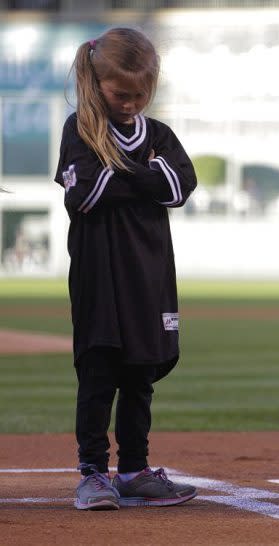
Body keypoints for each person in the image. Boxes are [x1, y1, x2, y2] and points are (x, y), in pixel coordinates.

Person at [54, 27, 198, 511]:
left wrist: (121, 170)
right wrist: (146, 174)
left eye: (141, 94)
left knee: (140, 375)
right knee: (99, 374)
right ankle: (93, 473)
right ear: (97, 84)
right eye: (121, 94)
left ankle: (135, 470)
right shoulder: (79, 130)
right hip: (99, 275)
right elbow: (84, 195)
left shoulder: (158, 134)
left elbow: (179, 186)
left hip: (149, 276)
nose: (132, 103)